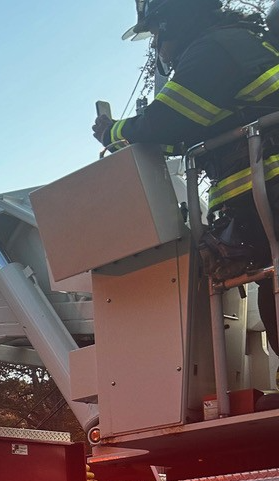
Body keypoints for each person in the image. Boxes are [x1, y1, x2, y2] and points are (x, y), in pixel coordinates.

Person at [93, 0, 279, 346]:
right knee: (273, 297)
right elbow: (179, 139)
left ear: (175, 22)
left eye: (156, 34)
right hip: (265, 198)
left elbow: (165, 122)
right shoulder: (233, 44)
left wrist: (111, 132)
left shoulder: (214, 50)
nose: (156, 45)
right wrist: (127, 145)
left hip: (272, 192)